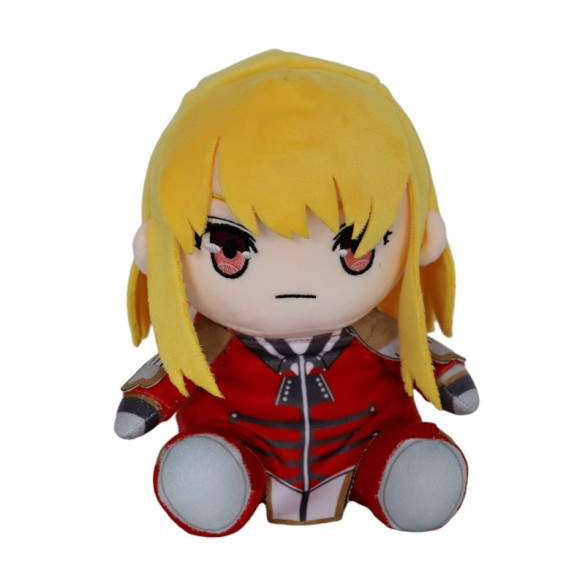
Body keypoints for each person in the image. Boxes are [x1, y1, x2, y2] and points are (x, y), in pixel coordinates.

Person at [115, 50, 479, 536]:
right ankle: (217, 476)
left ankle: (398, 474)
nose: (294, 279)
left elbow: (417, 354)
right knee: (206, 468)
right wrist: (145, 401)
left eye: (355, 246)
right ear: (156, 247)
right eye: (230, 247)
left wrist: (449, 378)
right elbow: (170, 375)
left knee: (411, 467)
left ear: (422, 237)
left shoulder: (376, 333)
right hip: (241, 448)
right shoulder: (209, 343)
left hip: (365, 447)